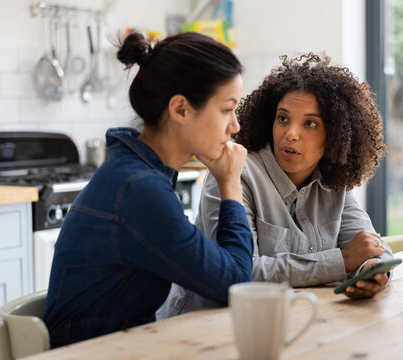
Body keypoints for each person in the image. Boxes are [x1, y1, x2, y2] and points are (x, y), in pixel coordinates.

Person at [43, 32, 253, 348]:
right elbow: (236, 282)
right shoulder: (140, 190)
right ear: (181, 109)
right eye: (227, 109)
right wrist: (230, 183)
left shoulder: (135, 172)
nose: (234, 126)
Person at [157, 53, 392, 319]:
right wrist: (342, 262)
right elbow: (242, 273)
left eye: (310, 123)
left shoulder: (334, 182)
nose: (291, 133)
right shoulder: (232, 174)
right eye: (283, 118)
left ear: (337, 134)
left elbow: (373, 247)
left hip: (288, 322)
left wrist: (373, 270)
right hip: (201, 326)